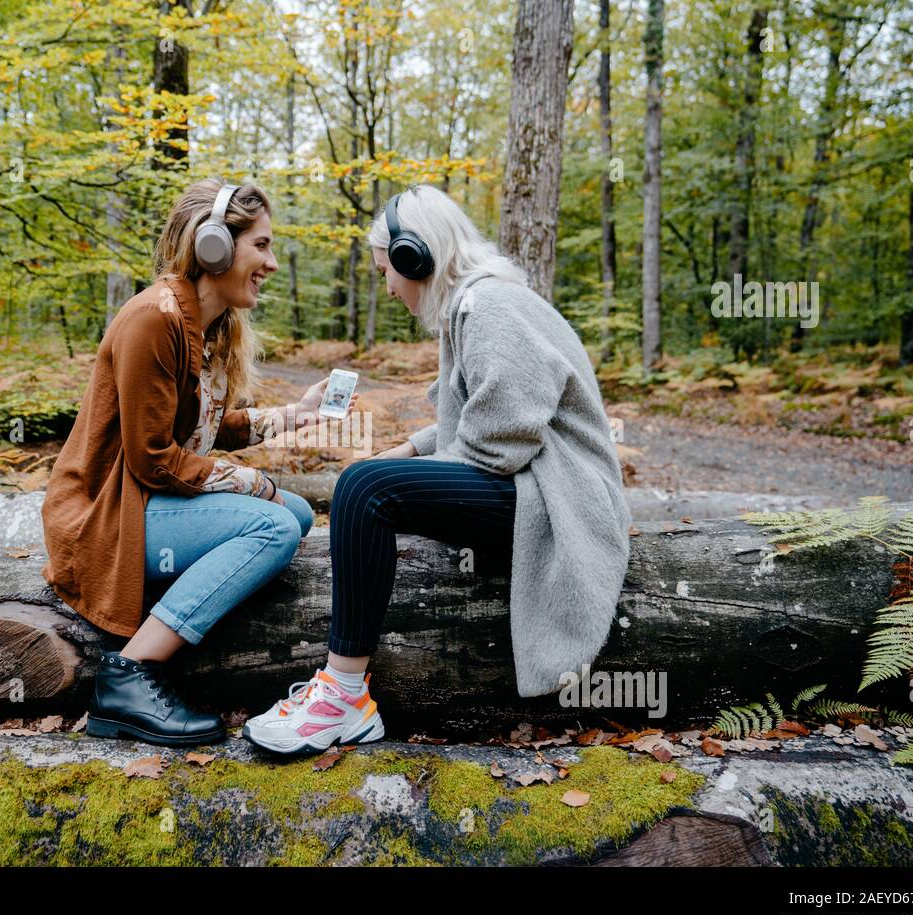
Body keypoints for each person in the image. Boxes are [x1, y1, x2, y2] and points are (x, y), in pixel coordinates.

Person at [243, 184, 632, 756]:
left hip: (561, 495)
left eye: (386, 271)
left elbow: (504, 440)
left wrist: (384, 484)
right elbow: (484, 415)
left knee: (363, 488)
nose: (389, 285)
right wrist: (408, 452)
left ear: (414, 257)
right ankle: (340, 691)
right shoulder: (475, 305)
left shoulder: (490, 306)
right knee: (372, 479)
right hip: (537, 482)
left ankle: (343, 696)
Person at [40, 178, 359, 746]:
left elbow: (205, 431)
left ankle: (183, 618)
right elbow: (152, 458)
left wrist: (294, 413)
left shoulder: (205, 327)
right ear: (214, 245)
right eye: (260, 245)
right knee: (273, 524)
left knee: (297, 516)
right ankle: (128, 673)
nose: (273, 262)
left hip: (145, 502)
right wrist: (250, 482)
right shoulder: (153, 320)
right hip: (107, 516)